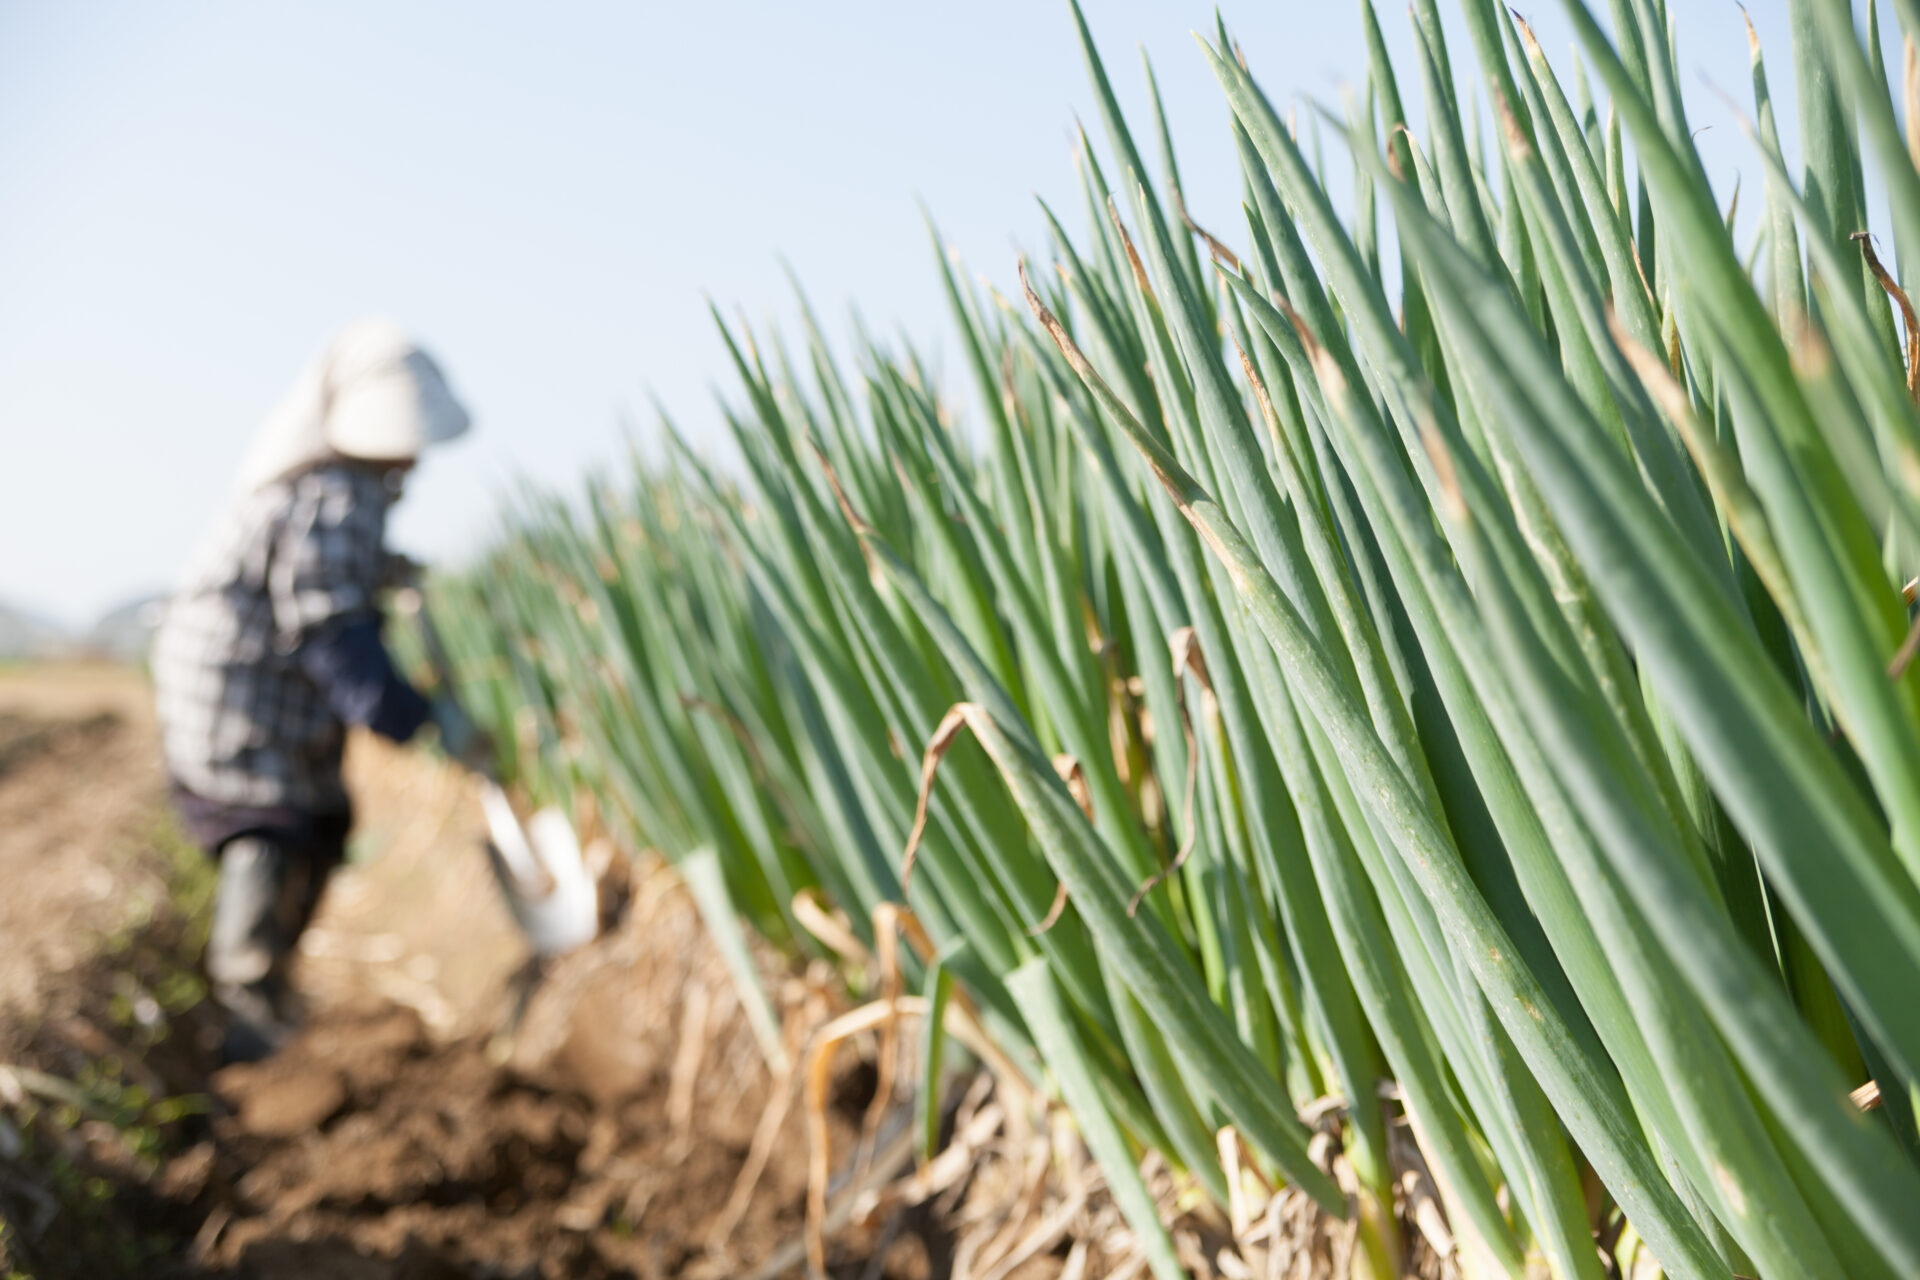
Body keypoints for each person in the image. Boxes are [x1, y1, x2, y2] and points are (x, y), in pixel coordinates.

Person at [152, 317, 487, 1060]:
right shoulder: (335, 488)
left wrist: (386, 568)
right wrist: (405, 712)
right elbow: (326, 619)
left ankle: (271, 999)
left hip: (266, 687)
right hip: (241, 690)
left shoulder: (335, 487)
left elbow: (319, 577)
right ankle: (252, 1009)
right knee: (264, 826)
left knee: (317, 822)